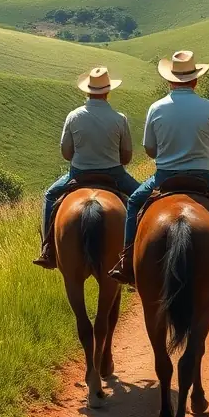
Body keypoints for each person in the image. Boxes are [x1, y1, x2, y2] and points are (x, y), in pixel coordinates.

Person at [108, 51, 209, 288]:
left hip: (164, 176)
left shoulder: (156, 108)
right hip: (204, 176)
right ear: (195, 80)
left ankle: (127, 261)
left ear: (170, 80)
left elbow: (150, 150)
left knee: (134, 203)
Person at [33, 66, 139, 269]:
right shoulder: (119, 118)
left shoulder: (73, 116)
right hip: (115, 175)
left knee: (49, 195)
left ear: (87, 91)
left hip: (79, 174)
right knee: (142, 200)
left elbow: (66, 153)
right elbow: (126, 157)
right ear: (108, 91)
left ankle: (47, 250)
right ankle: (135, 254)